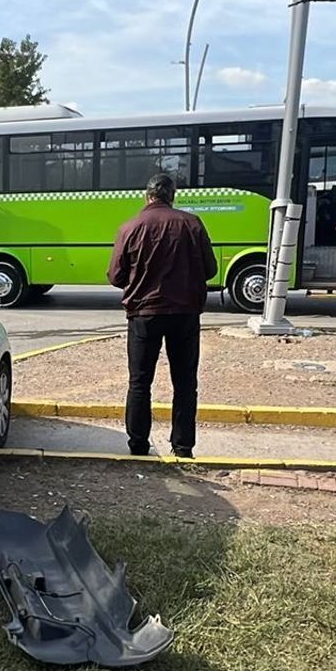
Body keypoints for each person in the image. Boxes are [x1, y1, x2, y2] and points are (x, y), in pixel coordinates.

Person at [107, 174, 217, 458]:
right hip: (185, 313)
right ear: (173, 195)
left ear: (147, 196)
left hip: (144, 313)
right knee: (185, 383)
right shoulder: (192, 224)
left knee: (140, 382)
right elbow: (210, 269)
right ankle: (182, 447)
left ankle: (139, 446)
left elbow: (116, 276)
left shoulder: (130, 227)